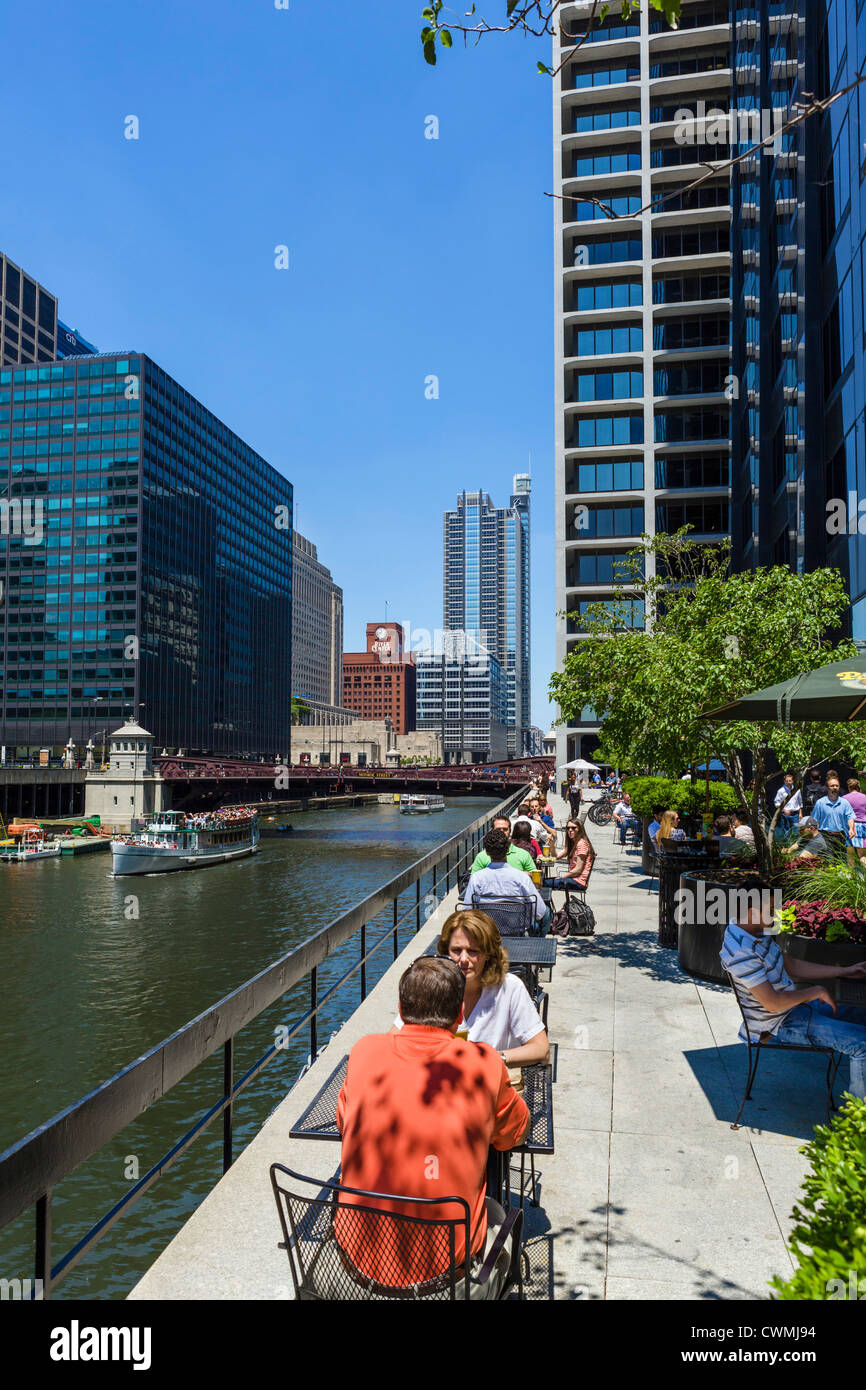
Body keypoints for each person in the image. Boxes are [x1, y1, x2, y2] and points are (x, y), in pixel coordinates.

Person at [337, 956, 529, 1294]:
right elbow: (514, 1133)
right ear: (459, 1016)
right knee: (498, 1213)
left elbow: (344, 1121)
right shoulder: (483, 1061)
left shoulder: (363, 1050)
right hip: (442, 1281)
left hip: (352, 1268)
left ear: (400, 1006)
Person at [720, 900, 866, 1099]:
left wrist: (845, 971)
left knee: (861, 1014)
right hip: (776, 1025)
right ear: (753, 912)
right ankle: (857, 1121)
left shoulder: (754, 931)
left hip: (794, 1008)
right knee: (862, 1043)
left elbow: (790, 964)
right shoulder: (741, 952)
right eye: (771, 910)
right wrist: (814, 992)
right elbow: (773, 1004)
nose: (777, 914)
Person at [392, 910, 550, 1067]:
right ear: (445, 952)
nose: (463, 959)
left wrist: (489, 1059)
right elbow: (393, 1041)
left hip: (489, 1082)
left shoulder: (509, 988)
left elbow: (541, 1049)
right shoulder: (429, 986)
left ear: (488, 953)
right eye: (456, 950)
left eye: (473, 951)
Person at [464, 828, 548, 928]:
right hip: (517, 932)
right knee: (547, 913)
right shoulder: (522, 877)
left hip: (488, 934)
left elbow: (467, 911)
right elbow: (540, 912)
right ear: (508, 849)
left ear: (486, 852)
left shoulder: (476, 878)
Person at [470, 816, 534, 876]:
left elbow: (535, 876)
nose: (502, 832)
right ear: (492, 830)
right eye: (498, 829)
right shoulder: (481, 856)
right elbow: (474, 878)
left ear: (510, 831)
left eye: (505, 829)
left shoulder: (523, 854)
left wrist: (519, 875)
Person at [811, 775, 855, 852]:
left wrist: (851, 828)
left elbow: (850, 817)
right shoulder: (820, 803)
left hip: (841, 836)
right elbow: (815, 820)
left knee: (841, 861)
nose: (834, 787)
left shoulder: (845, 803)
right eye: (832, 786)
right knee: (828, 862)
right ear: (827, 788)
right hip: (825, 837)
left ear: (839, 788)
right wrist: (815, 834)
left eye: (836, 786)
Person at [555, 818, 595, 890]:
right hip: (574, 879)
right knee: (543, 881)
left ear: (580, 829)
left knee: (542, 882)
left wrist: (563, 877)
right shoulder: (574, 843)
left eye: (573, 828)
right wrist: (551, 845)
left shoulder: (581, 844)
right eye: (568, 828)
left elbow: (578, 870)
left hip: (578, 882)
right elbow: (556, 856)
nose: (570, 830)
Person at [845, 778, 866, 862]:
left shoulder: (844, 798)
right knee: (862, 855)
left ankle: (851, 874)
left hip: (850, 826)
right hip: (863, 826)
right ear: (858, 786)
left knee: (850, 855)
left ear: (849, 787)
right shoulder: (864, 797)